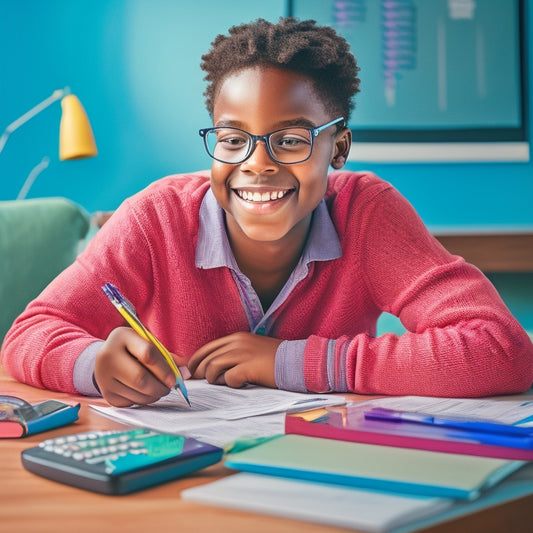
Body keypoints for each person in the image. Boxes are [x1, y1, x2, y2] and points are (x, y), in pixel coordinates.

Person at [2, 18, 532, 407]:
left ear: (339, 150)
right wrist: (95, 364)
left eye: (291, 139)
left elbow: (500, 349)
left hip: (326, 470)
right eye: (233, 139)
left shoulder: (367, 212)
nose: (257, 164)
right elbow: (29, 333)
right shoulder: (156, 216)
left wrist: (289, 360)